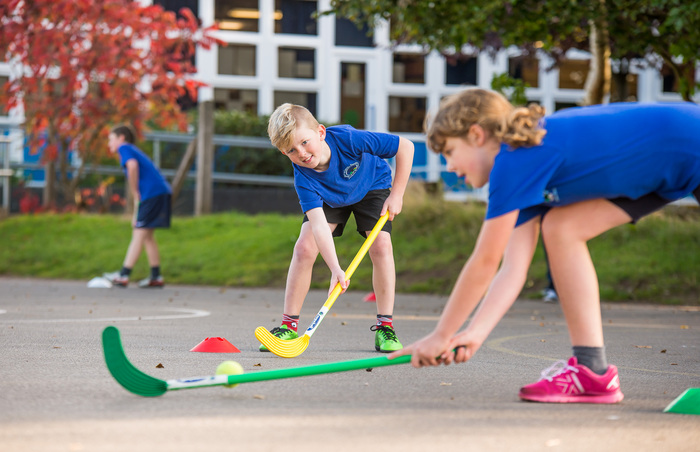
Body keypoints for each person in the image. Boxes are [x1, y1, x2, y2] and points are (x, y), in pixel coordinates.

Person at [390, 88, 700, 403]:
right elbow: (512, 268)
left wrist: (441, 335)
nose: (450, 166)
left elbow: (485, 261)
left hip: (691, 140)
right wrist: (474, 332)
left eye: (450, 152)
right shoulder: (524, 169)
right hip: (672, 165)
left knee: (562, 227)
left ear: (476, 134)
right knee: (562, 227)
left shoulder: (514, 160)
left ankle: (590, 371)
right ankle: (591, 372)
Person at [263, 103, 414, 353]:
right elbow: (320, 226)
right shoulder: (304, 176)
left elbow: (405, 146)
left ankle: (385, 326)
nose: (301, 153)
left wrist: (397, 195)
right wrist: (335, 269)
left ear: (321, 132)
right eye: (291, 150)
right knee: (304, 248)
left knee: (381, 245)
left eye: (304, 142)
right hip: (330, 196)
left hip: (371, 186)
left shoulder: (349, 140)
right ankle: (288, 327)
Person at [103, 124, 172, 288]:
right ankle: (156, 276)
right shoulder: (131, 149)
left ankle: (123, 275)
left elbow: (132, 166)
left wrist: (135, 192)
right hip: (160, 191)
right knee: (147, 236)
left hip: (152, 193)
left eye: (111, 139)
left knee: (139, 233)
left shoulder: (124, 148)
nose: (109, 144)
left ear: (121, 138)